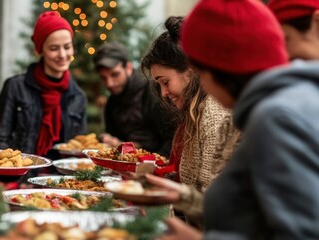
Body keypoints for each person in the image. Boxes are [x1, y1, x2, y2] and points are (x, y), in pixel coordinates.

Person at [159, 0, 319, 239]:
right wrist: (185, 199)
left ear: (219, 69)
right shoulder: (278, 107)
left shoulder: (277, 117)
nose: (202, 85)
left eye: (200, 73)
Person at [140, 16, 240, 227]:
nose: (163, 93)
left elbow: (213, 204)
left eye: (165, 82)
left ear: (190, 71)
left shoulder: (212, 113)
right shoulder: (194, 113)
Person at [0, 11, 87, 158]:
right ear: (41, 50)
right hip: (22, 176)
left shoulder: (78, 96)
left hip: (63, 178)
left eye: (67, 47)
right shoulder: (15, 87)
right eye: (54, 48)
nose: (62, 55)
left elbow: (82, 145)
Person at [92, 41, 175, 156]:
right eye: (104, 78)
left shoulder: (154, 93)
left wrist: (152, 167)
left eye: (115, 74)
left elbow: (173, 140)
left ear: (129, 67)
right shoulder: (111, 102)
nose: (109, 84)